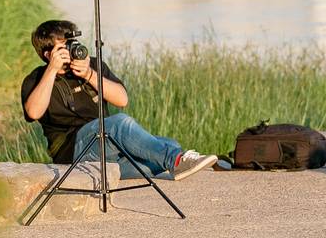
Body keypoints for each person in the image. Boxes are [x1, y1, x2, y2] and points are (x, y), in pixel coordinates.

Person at [21, 19, 216, 180]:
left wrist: (89, 74)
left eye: (74, 45)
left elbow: (122, 99)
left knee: (168, 143)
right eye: (65, 47)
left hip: (106, 145)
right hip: (72, 150)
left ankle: (116, 172)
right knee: (121, 123)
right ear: (48, 54)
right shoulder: (38, 79)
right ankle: (176, 161)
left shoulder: (93, 65)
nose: (73, 51)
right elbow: (33, 112)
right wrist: (52, 70)